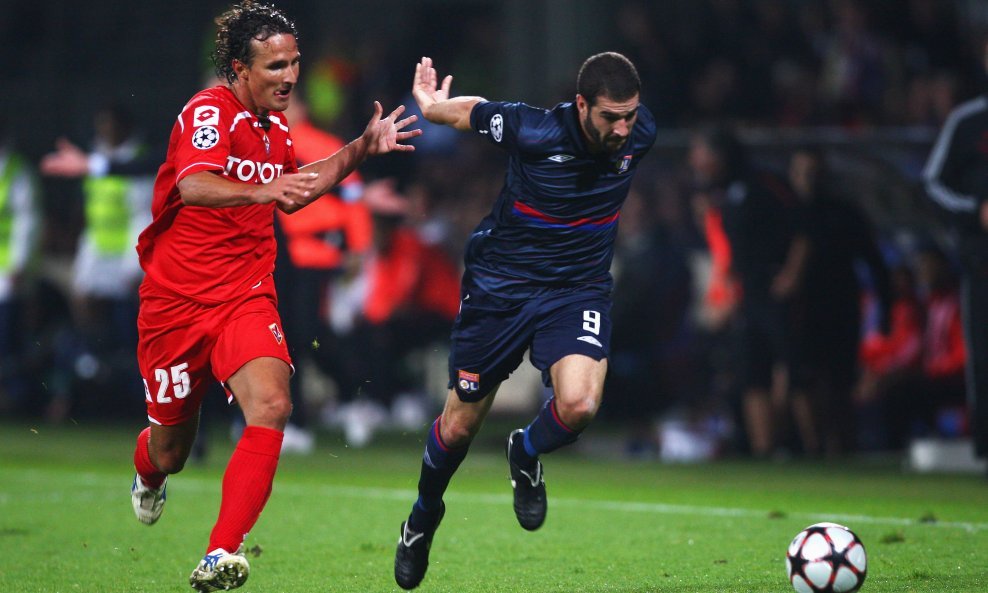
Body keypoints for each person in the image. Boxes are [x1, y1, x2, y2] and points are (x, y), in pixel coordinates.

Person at [127, 3, 420, 592]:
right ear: (240, 67)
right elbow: (194, 184)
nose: (290, 76)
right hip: (175, 302)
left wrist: (361, 148)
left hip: (245, 295)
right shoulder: (209, 110)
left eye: (294, 64)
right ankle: (148, 473)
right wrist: (262, 187)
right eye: (275, 66)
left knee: (273, 405)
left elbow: (296, 190)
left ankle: (220, 553)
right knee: (171, 451)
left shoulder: (275, 127)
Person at [394, 53, 656, 590]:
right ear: (582, 105)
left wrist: (630, 124)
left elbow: (632, 129)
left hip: (576, 289)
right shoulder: (535, 130)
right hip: (500, 288)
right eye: (611, 117)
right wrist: (433, 108)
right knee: (459, 426)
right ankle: (422, 518)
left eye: (630, 115)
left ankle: (526, 450)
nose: (624, 129)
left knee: (581, 404)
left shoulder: (640, 133)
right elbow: (475, 112)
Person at [688, 127, 809, 459]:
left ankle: (814, 447)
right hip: (747, 294)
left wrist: (791, 274)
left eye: (700, 153)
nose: (694, 161)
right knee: (750, 371)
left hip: (774, 290)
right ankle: (763, 450)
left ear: (720, 155)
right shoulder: (719, 194)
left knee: (791, 366)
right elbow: (728, 251)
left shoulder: (763, 184)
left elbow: (801, 226)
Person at [40, 103, 156, 422]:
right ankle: (92, 352)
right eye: (100, 125)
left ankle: (138, 368)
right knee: (81, 293)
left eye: (109, 125)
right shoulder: (96, 155)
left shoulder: (139, 157)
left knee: (138, 303)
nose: (105, 132)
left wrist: (136, 262)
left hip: (132, 241)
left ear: (124, 127)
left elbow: (144, 212)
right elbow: (88, 202)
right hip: (98, 242)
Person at [786, 146, 890, 456]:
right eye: (803, 172)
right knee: (801, 378)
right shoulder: (783, 214)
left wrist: (885, 309)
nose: (808, 179)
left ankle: (842, 445)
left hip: (839, 307)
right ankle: (813, 445)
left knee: (839, 381)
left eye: (814, 172)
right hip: (799, 310)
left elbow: (874, 262)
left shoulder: (843, 214)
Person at [922, 37, 988, 470]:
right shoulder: (969, 121)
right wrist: (976, 209)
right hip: (982, 259)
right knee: (982, 351)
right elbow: (934, 183)